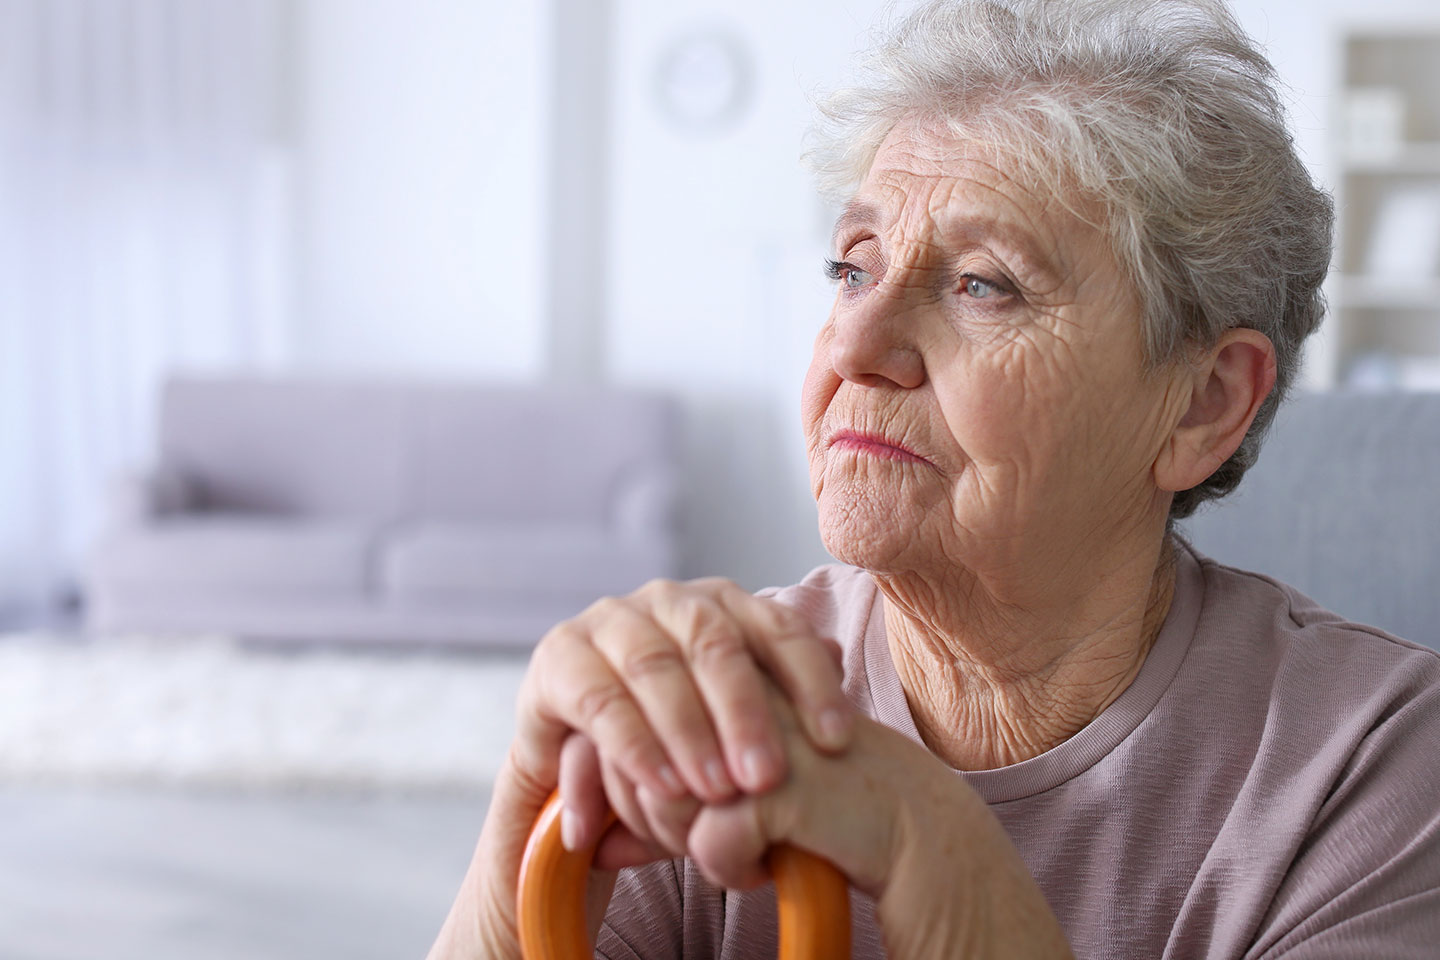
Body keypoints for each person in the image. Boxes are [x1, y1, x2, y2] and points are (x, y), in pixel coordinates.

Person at [429, 0, 1440, 956]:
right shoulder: (722, 708)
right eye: (853, 267)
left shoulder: (1374, 764)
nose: (857, 342)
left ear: (1202, 403)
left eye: (982, 285)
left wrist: (937, 864)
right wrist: (520, 827)